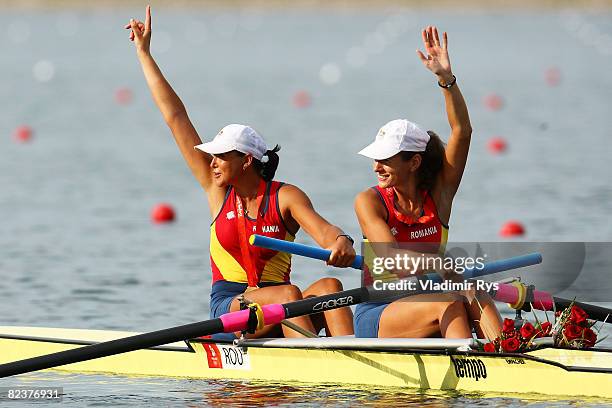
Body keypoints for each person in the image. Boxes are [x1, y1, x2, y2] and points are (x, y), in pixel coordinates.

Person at [126, 6, 355, 339]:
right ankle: (320, 370)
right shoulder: (216, 190)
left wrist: (341, 242)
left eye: (220, 156)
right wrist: (144, 54)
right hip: (230, 308)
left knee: (332, 287)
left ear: (247, 160)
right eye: (212, 157)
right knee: (289, 295)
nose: (213, 163)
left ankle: (352, 359)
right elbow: (176, 118)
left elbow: (324, 232)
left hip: (279, 305)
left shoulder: (285, 197)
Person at [353, 26, 502, 339]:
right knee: (448, 301)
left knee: (474, 292)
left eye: (386, 158)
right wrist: (440, 264)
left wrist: (446, 80)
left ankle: (511, 354)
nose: (376, 166)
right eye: (376, 158)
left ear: (414, 162)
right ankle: (471, 371)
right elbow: (390, 257)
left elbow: (462, 133)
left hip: (429, 298)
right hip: (380, 310)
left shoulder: (440, 195)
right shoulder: (369, 201)